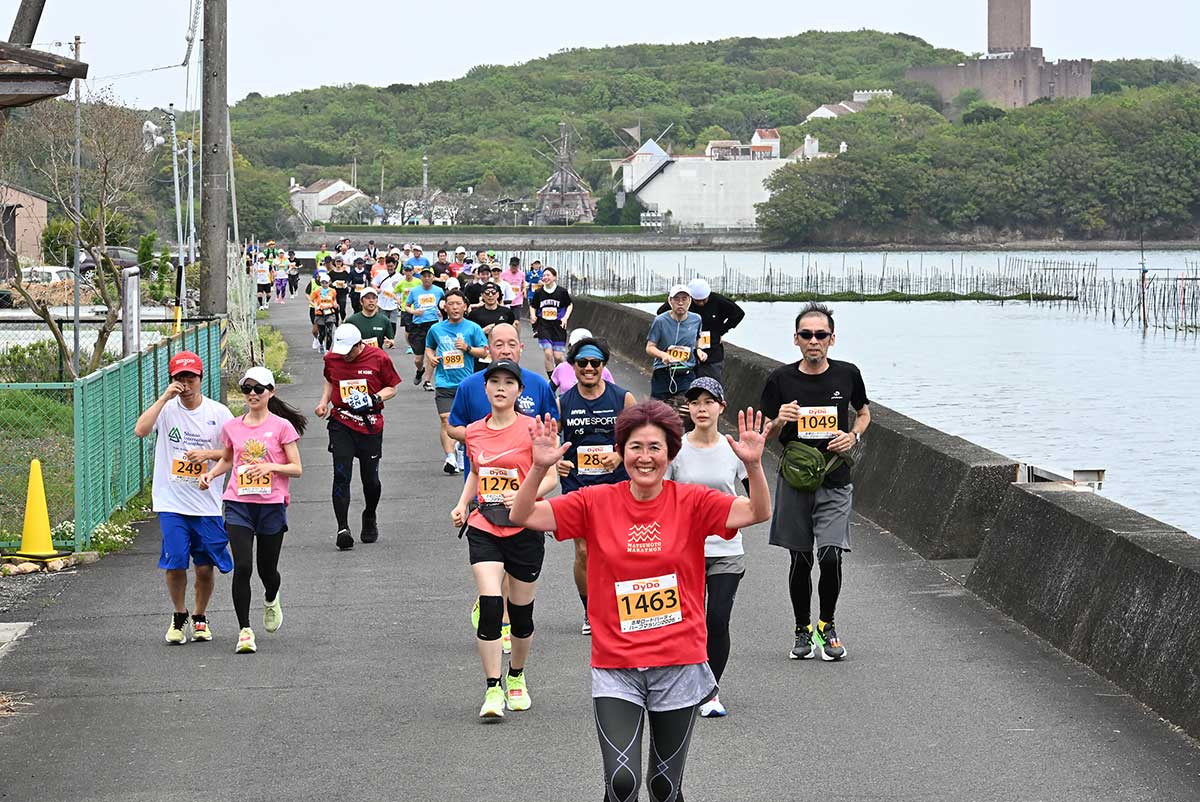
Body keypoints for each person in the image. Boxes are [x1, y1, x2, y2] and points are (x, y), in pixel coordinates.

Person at [509, 400, 771, 802]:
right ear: (621, 451)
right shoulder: (595, 501)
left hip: (678, 661)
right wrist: (539, 468)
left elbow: (757, 511)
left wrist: (753, 465)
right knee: (622, 782)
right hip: (617, 663)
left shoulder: (693, 502)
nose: (644, 457)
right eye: (635, 447)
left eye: (654, 448)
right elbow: (522, 515)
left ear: (671, 453)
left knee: (664, 787)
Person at [760, 302, 870, 662]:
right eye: (806, 334)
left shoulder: (847, 374)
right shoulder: (780, 379)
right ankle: (802, 629)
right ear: (795, 339)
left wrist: (853, 436)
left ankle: (827, 625)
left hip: (835, 478)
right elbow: (762, 431)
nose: (813, 341)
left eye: (820, 335)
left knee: (831, 555)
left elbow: (864, 413)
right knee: (801, 558)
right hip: (795, 479)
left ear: (832, 339)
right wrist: (779, 419)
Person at [450, 361, 561, 718]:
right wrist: (462, 504)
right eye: (494, 381)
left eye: (508, 382)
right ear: (485, 388)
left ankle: (516, 676)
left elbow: (551, 477)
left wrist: (525, 495)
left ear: (519, 391)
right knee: (491, 604)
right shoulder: (474, 432)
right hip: (485, 525)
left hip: (525, 527)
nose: (501, 388)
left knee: (521, 614)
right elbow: (477, 473)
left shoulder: (533, 429)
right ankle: (492, 688)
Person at [198, 367, 306, 655]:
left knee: (266, 570)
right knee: (243, 566)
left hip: (271, 505)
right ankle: (245, 630)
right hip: (238, 504)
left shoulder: (282, 427)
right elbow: (228, 459)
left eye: (259, 389)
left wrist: (270, 467)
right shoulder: (232, 427)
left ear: (271, 392)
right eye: (247, 389)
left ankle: (271, 596)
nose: (253, 394)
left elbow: (296, 468)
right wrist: (211, 474)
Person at [134, 351, 234, 645]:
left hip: (206, 502)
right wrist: (164, 398)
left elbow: (233, 452)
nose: (186, 385)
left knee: (204, 566)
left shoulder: (218, 413)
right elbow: (141, 430)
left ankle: (200, 616)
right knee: (175, 561)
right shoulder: (166, 410)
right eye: (180, 379)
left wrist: (207, 456)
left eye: (191, 378)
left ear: (200, 378)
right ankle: (179, 614)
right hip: (172, 501)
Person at [665, 378, 748, 717]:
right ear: (688, 408)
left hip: (727, 549)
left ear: (721, 407)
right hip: (685, 551)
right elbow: (661, 497)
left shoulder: (733, 449)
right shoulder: (676, 449)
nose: (702, 408)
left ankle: (711, 691)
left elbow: (753, 495)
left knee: (717, 618)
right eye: (695, 402)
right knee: (690, 621)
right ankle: (687, 682)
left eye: (709, 402)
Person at [555, 337, 636, 635]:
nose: (589, 368)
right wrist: (556, 462)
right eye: (582, 363)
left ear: (603, 366)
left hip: (617, 484)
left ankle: (621, 604)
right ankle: (590, 610)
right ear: (573, 366)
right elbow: (550, 442)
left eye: (595, 363)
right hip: (577, 485)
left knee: (619, 549)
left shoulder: (623, 399)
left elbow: (639, 438)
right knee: (583, 551)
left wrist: (620, 455)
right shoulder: (563, 402)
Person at [315, 323, 403, 549]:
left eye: (349, 352)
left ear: (359, 344)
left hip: (369, 424)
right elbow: (330, 379)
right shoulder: (332, 358)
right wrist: (324, 402)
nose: (344, 357)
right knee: (341, 474)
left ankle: (370, 514)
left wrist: (374, 398)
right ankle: (342, 528)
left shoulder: (379, 358)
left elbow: (392, 387)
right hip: (341, 421)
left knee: (370, 479)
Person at [425, 289, 488, 474]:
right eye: (450, 304)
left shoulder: (473, 328)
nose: (454, 307)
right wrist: (431, 357)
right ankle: (450, 457)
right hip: (444, 382)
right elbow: (429, 347)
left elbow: (484, 351)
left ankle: (462, 448)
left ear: (465, 307)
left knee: (468, 423)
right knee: (446, 419)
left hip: (467, 383)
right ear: (445, 307)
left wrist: (467, 348)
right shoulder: (436, 329)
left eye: (458, 304)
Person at [655, 279, 745, 384]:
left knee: (710, 384)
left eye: (704, 300)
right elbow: (661, 313)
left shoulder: (718, 300)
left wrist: (721, 331)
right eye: (697, 301)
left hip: (711, 350)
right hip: (687, 350)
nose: (701, 303)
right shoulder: (683, 302)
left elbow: (738, 314)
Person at [646, 284, 705, 410]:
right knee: (657, 412)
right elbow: (650, 347)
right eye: (676, 299)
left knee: (685, 411)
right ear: (670, 301)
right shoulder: (660, 321)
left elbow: (699, 339)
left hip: (686, 372)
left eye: (684, 299)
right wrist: (663, 355)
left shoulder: (697, 319)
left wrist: (699, 350)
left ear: (690, 301)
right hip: (663, 371)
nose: (680, 303)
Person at [404, 267, 445, 389]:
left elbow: (444, 303)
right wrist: (414, 312)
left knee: (431, 354)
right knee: (418, 359)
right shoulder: (415, 291)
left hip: (433, 324)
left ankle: (427, 381)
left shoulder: (439, 291)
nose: (426, 278)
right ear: (421, 278)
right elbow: (406, 306)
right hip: (418, 325)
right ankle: (420, 370)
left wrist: (441, 310)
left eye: (429, 276)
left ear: (433, 277)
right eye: (424, 276)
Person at [529, 266, 572, 377]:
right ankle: (552, 379)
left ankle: (564, 375)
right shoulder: (539, 292)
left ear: (554, 277)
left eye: (548, 275)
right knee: (548, 353)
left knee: (558, 356)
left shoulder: (562, 292)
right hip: (544, 325)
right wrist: (533, 315)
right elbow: (533, 306)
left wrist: (565, 318)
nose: (545, 277)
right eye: (544, 275)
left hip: (558, 326)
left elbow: (569, 305)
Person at [550, 328, 614, 396]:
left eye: (585, 348)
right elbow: (549, 391)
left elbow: (613, 394)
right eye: (577, 348)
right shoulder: (561, 368)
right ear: (570, 347)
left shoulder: (602, 370)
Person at [466, 282, 516, 357]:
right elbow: (468, 335)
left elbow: (513, 332)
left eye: (493, 292)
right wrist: (483, 331)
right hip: (481, 351)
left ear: (498, 294)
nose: (490, 295)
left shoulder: (507, 312)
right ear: (482, 295)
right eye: (487, 293)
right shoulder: (474, 314)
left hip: (502, 351)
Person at [309, 273, 339, 354]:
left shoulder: (333, 291)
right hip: (320, 313)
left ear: (329, 282)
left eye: (326, 282)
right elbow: (311, 300)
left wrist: (335, 304)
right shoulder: (317, 291)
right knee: (322, 333)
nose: (324, 284)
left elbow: (334, 299)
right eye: (323, 282)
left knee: (329, 331)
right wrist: (315, 306)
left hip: (330, 312)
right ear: (320, 283)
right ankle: (321, 343)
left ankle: (328, 350)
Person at [373, 255, 404, 327]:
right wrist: (377, 289)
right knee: (382, 323)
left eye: (391, 266)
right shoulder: (381, 274)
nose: (390, 268)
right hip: (382, 302)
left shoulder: (399, 277)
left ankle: (392, 334)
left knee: (393, 324)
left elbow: (402, 290)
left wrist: (400, 300)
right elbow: (373, 283)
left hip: (394, 303)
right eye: (388, 266)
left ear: (395, 265)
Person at [328, 256, 352, 321]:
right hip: (334, 293)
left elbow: (348, 281)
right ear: (335, 262)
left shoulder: (345, 273)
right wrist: (333, 284)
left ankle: (343, 319)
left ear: (342, 263)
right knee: (335, 308)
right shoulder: (331, 273)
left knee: (342, 308)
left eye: (340, 262)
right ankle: (336, 321)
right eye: (337, 261)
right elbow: (328, 283)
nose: (338, 263)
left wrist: (345, 285)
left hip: (342, 292)